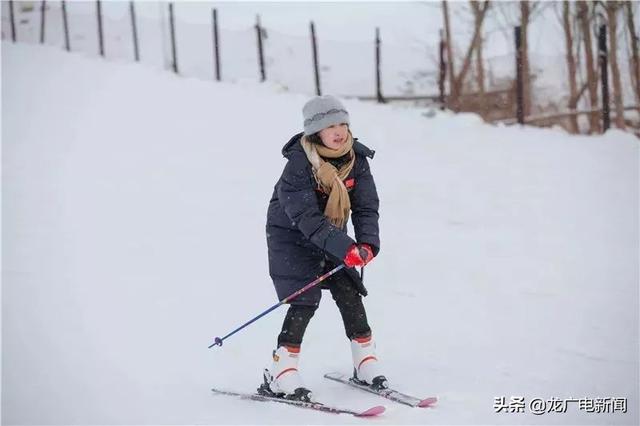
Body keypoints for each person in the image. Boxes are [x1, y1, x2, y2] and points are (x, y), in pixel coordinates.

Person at [262, 95, 386, 402]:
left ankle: (365, 360)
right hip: (291, 237)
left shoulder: (356, 159)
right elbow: (306, 217)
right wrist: (345, 247)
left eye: (343, 123)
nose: (339, 131)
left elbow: (366, 206)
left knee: (348, 289)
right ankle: (282, 370)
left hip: (331, 236)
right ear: (316, 131)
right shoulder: (298, 164)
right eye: (330, 125)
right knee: (304, 298)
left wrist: (367, 243)